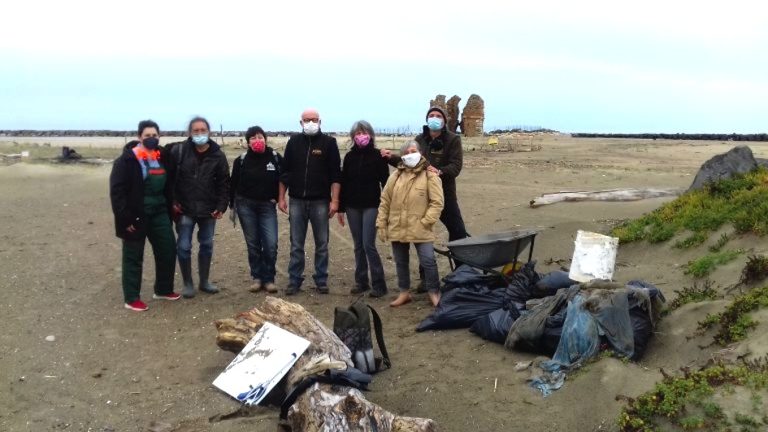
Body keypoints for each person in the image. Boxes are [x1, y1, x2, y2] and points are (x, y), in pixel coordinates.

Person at [381, 106, 469, 290]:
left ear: (444, 120)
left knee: (458, 231)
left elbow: (456, 166)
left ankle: (462, 273)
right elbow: (409, 160)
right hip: (420, 195)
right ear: (427, 119)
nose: (435, 118)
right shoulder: (420, 140)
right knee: (421, 234)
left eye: (438, 116)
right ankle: (425, 279)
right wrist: (391, 158)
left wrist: (440, 171)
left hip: (444, 194)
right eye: (431, 116)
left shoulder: (453, 139)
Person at [109, 120, 180, 311]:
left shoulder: (163, 156)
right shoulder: (126, 161)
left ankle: (163, 290)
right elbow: (117, 193)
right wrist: (125, 219)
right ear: (139, 137)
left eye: (154, 135)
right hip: (135, 215)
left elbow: (171, 182)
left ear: (159, 136)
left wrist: (172, 203)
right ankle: (132, 298)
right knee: (133, 256)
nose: (151, 139)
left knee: (168, 249)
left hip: (159, 212)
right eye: (147, 136)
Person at [278, 108, 341, 295]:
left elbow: (335, 175)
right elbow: (285, 172)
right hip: (296, 200)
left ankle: (321, 279)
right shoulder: (293, 142)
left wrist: (335, 201)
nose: (310, 123)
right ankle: (294, 279)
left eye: (314, 119)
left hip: (321, 201)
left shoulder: (329, 143)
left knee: (322, 243)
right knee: (296, 243)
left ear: (320, 121)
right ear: (301, 122)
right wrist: (281, 197)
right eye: (307, 120)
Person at [167, 116, 230, 298]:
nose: (200, 134)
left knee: (207, 245)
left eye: (203, 130)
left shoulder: (218, 155)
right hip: (184, 208)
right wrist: (173, 201)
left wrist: (221, 206)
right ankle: (188, 283)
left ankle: (204, 281)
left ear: (209, 132)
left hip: (209, 209)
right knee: (184, 246)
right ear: (190, 132)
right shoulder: (178, 151)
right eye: (196, 131)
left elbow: (224, 183)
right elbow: (169, 180)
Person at [376, 140, 444, 307]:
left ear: (420, 153)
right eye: (406, 153)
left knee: (428, 260)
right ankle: (404, 292)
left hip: (421, 227)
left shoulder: (430, 175)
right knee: (401, 260)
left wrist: (426, 221)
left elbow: (437, 202)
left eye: (413, 151)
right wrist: (382, 224)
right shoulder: (395, 176)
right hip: (398, 226)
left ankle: (434, 292)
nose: (410, 155)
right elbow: (385, 200)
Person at [337, 120, 390, 298]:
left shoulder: (378, 156)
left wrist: (385, 207)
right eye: (358, 133)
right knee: (358, 245)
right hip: (352, 206)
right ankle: (361, 281)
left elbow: (386, 183)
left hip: (372, 206)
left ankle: (379, 284)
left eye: (364, 132)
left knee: (368, 244)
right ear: (353, 137)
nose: (361, 136)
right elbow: (343, 183)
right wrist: (341, 209)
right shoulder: (350, 157)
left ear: (371, 135)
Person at [230, 126, 282, 293]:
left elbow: (285, 178)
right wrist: (232, 205)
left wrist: (279, 197)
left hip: (267, 206)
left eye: (260, 137)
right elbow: (233, 184)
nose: (257, 140)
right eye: (253, 138)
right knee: (253, 244)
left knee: (270, 244)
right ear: (247, 142)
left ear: (265, 139)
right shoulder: (241, 160)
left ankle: (269, 278)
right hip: (246, 206)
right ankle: (257, 277)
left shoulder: (275, 158)